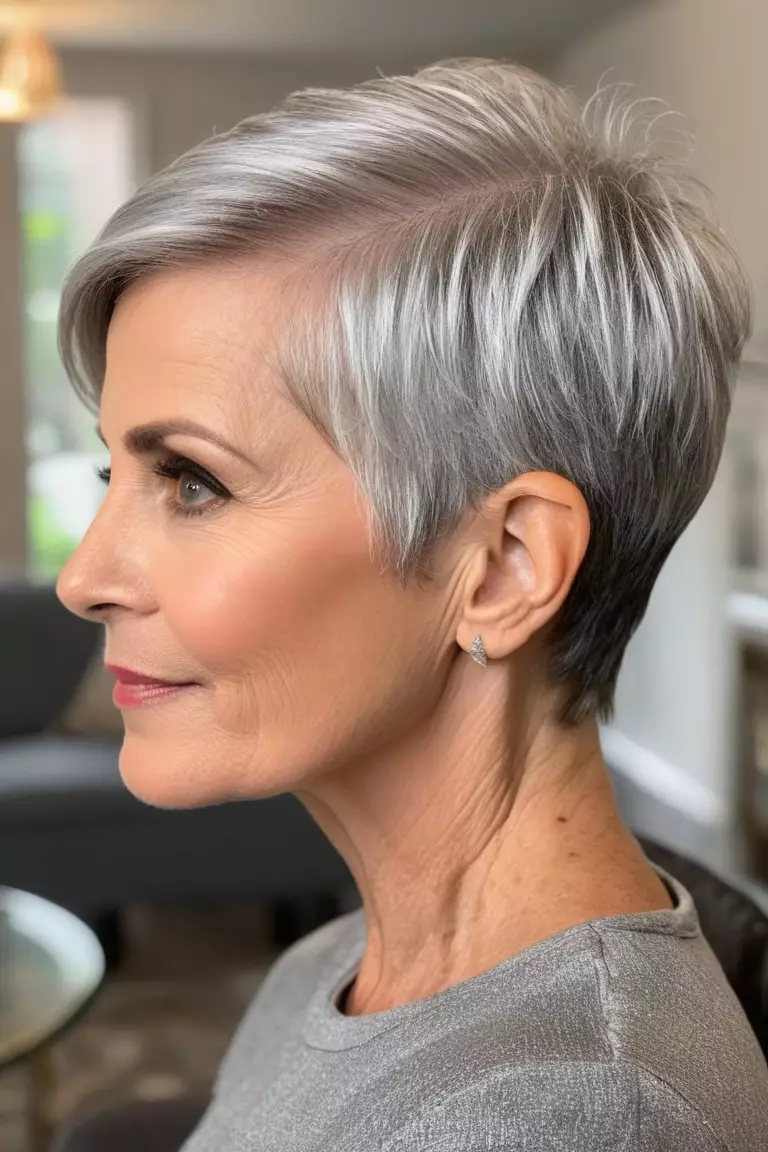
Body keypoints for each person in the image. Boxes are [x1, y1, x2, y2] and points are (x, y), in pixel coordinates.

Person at [54, 56, 768, 1150]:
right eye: (117, 476)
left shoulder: (566, 1119)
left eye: (191, 482)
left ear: (503, 567)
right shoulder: (332, 963)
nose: (83, 578)